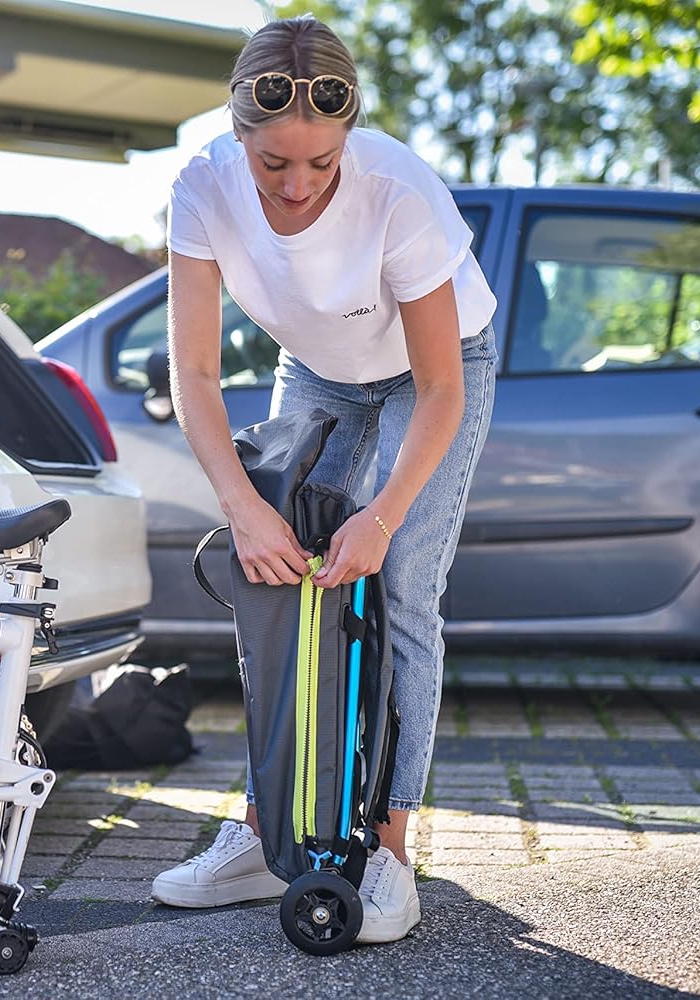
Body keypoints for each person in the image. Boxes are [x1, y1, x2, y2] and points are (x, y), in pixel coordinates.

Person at [149, 15, 499, 944]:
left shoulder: (396, 190)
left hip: (437, 370)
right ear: (238, 138)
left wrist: (382, 516)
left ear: (350, 143)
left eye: (321, 165)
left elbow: (437, 389)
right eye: (275, 166)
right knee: (275, 577)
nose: (298, 187)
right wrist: (245, 511)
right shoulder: (200, 191)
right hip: (316, 370)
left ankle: (388, 849)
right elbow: (191, 376)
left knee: (400, 584)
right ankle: (268, 836)